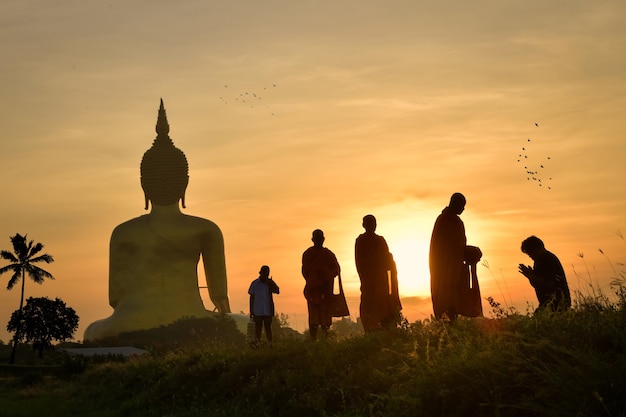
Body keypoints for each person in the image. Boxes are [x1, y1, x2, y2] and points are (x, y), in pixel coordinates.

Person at [84, 100, 240, 341]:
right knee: (244, 323)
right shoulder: (206, 229)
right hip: (193, 321)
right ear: (185, 183)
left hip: (129, 322)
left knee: (91, 330)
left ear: (143, 184)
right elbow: (219, 297)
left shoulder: (123, 232)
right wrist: (227, 324)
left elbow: (115, 298)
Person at [429, 192, 482, 320]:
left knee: (455, 304)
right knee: (447, 305)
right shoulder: (444, 220)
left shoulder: (455, 221)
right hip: (444, 270)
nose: (463, 209)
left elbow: (457, 247)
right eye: (462, 206)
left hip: (455, 269)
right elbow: (447, 248)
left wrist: (468, 252)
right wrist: (467, 251)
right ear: (455, 204)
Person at [355, 215, 396, 332]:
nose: (372, 226)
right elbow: (359, 262)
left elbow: (387, 259)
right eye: (369, 223)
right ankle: (370, 331)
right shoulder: (361, 241)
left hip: (381, 281)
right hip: (368, 280)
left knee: (383, 306)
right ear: (364, 225)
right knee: (368, 306)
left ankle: (384, 330)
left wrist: (389, 259)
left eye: (374, 223)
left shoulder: (380, 240)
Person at [301, 229, 341, 340]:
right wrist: (314, 279)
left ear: (323, 239)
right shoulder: (308, 254)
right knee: (313, 317)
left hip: (325, 291)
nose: (318, 240)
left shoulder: (328, 254)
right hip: (313, 291)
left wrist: (325, 274)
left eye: (320, 238)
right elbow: (304, 271)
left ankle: (325, 339)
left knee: (325, 318)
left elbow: (336, 270)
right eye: (316, 238)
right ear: (312, 240)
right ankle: (313, 340)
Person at [519, 236, 571, 312]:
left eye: (530, 252)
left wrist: (531, 276)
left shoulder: (547, 260)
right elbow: (538, 284)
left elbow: (549, 284)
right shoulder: (539, 261)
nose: (529, 255)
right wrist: (531, 276)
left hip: (556, 303)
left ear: (537, 248)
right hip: (549, 303)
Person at [248, 265, 280, 346]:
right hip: (257, 310)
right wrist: (251, 310)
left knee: (268, 328)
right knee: (258, 328)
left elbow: (277, 291)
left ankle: (270, 343)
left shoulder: (269, 284)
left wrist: (271, 282)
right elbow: (251, 297)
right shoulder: (255, 283)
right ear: (260, 273)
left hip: (268, 310)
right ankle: (257, 344)